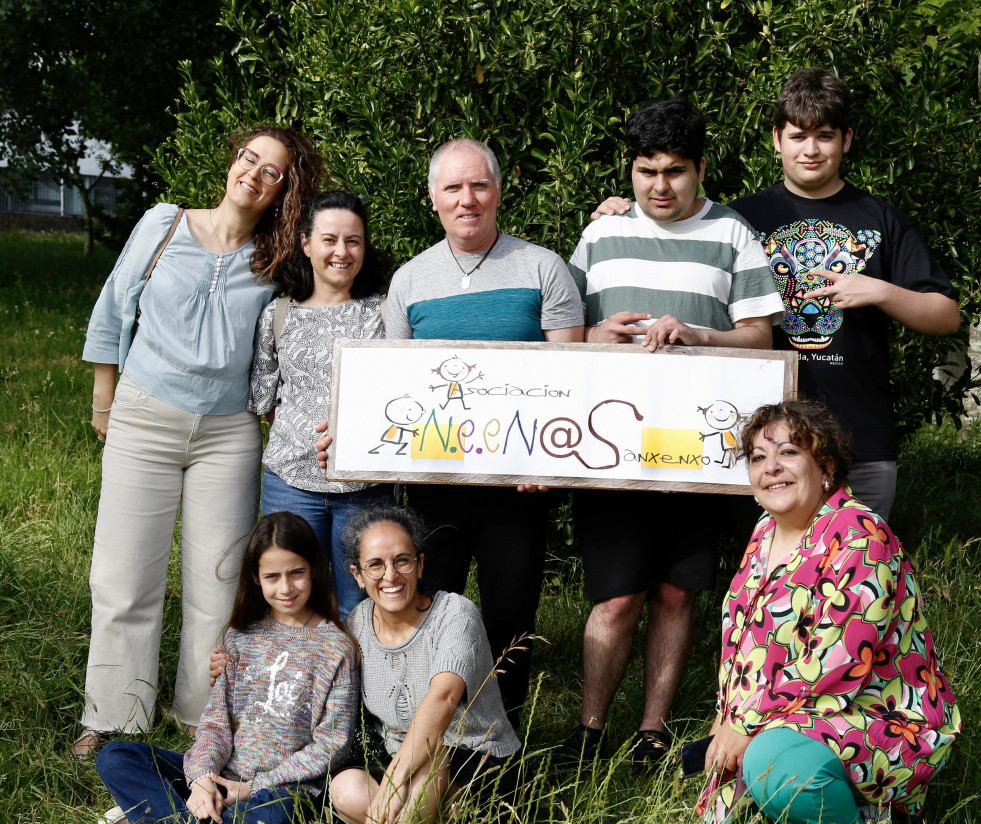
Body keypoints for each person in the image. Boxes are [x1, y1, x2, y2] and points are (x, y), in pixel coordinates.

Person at [593, 71, 961, 520]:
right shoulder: (736, 220)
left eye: (824, 136)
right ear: (776, 139)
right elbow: (670, 217)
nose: (810, 149)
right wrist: (622, 211)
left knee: (860, 569)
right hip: (761, 438)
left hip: (860, 434)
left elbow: (946, 316)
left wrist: (880, 290)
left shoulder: (882, 220)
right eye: (798, 135)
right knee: (777, 576)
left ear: (846, 140)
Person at [74, 125, 323, 759]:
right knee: (124, 574)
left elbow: (334, 295)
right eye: (249, 158)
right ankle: (113, 715)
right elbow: (111, 308)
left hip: (229, 434)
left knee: (218, 584)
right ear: (233, 160)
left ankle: (198, 717)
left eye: (273, 171)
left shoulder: (277, 261)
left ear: (285, 191)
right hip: (143, 416)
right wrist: (105, 403)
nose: (254, 173)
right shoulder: (164, 224)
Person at [557, 98, 785, 773]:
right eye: (645, 170)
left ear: (700, 170)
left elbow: (759, 337)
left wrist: (698, 334)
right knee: (616, 594)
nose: (659, 186)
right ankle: (589, 726)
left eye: (675, 172)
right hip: (613, 448)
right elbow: (563, 335)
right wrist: (596, 335)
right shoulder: (598, 236)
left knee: (676, 592)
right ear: (630, 169)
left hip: (700, 454)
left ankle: (651, 730)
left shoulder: (733, 234)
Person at [698, 400, 959, 824]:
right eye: (757, 457)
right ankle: (817, 823)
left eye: (789, 452)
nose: (770, 467)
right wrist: (724, 715)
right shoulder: (763, 535)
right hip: (789, 714)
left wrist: (746, 725)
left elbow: (836, 660)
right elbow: (743, 643)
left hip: (879, 717)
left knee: (775, 765)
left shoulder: (861, 534)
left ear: (827, 467)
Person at [369, 138, 584, 727]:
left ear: (497, 191)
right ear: (434, 198)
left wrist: (548, 464)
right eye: (453, 188)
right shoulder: (410, 281)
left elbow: (572, 380)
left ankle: (500, 741)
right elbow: (396, 388)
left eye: (479, 186)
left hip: (519, 489)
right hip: (436, 486)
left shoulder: (543, 267)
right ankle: (419, 735)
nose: (468, 199)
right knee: (426, 609)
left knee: (510, 618)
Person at [95, 512, 359, 824]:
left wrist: (252, 788)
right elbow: (216, 723)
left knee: (282, 815)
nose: (285, 588)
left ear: (313, 569)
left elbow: (332, 745)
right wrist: (204, 777)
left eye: (296, 573)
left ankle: (154, 813)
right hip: (221, 774)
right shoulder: (240, 636)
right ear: (255, 577)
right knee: (116, 756)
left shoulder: (335, 647)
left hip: (281, 789)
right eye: (272, 576)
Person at [328, 505, 543, 824]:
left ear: (420, 563)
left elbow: (443, 701)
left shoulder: (455, 614)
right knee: (346, 789)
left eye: (402, 561)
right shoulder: (357, 624)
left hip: (476, 765)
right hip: (409, 774)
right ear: (357, 575)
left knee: (430, 759)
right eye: (375, 565)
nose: (390, 576)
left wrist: (392, 781)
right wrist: (234, 653)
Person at [248, 190, 395, 618]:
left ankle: (362, 686)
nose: (342, 252)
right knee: (293, 600)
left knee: (362, 605)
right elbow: (264, 400)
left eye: (353, 241)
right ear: (306, 243)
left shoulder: (385, 313)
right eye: (329, 239)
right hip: (290, 484)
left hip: (368, 488)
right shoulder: (277, 315)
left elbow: (406, 399)